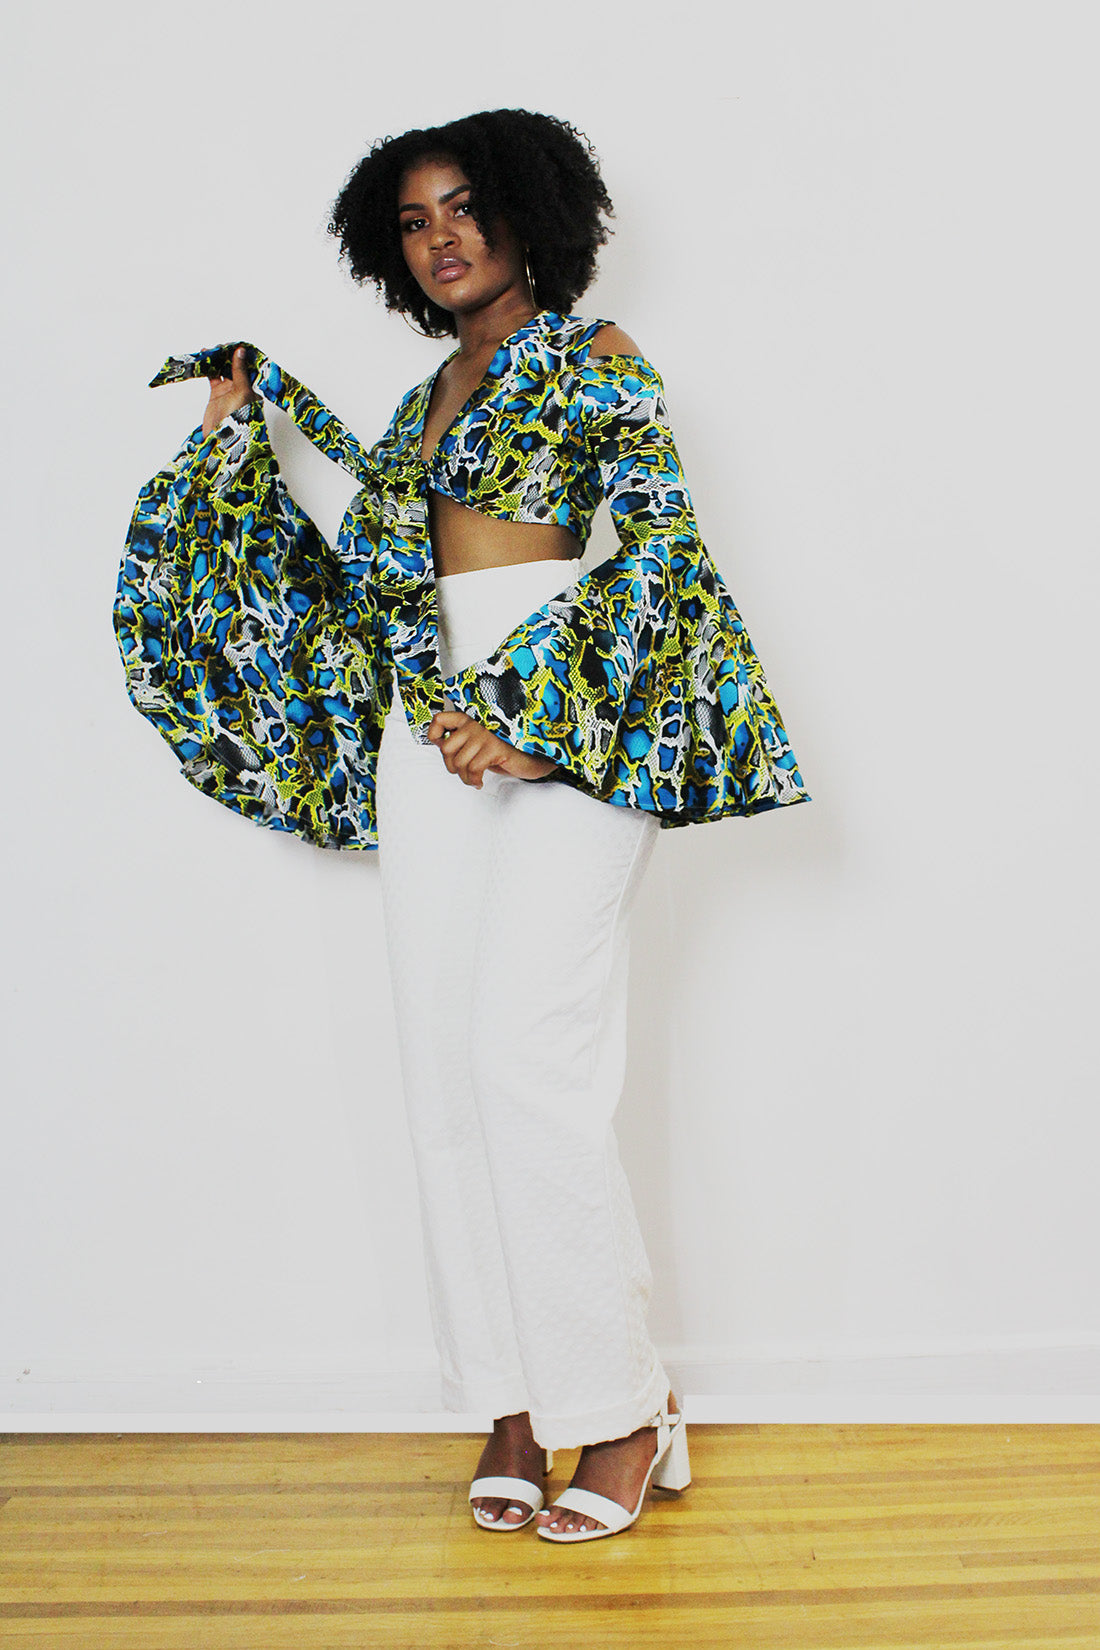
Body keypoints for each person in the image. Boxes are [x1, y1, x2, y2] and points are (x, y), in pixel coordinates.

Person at [118, 108, 809, 1543]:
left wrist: (536, 717)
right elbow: (365, 584)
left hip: (569, 720)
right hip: (421, 733)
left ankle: (620, 1408)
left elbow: (665, 553)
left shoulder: (597, 356)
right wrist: (237, 440)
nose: (441, 238)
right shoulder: (422, 394)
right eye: (414, 220)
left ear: (531, 214)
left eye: (465, 208)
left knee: (524, 1062)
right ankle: (511, 1398)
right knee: (444, 1076)